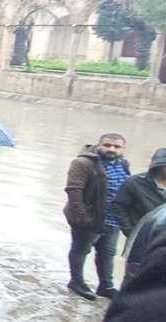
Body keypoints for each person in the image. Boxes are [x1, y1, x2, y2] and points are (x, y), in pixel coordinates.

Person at [64, 133, 129, 301]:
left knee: (108, 253)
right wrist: (83, 218)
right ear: (98, 145)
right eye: (107, 145)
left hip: (113, 219)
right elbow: (74, 190)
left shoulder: (123, 164)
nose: (111, 149)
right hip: (90, 219)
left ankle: (106, 286)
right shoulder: (83, 163)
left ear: (123, 149)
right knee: (81, 250)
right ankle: (76, 282)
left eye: (116, 147)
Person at [104, 205, 166, 321]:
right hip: (139, 257)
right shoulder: (160, 218)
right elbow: (117, 206)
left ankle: (105, 285)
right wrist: (129, 230)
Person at [111, 148, 166, 239]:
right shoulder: (135, 182)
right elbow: (118, 207)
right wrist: (131, 232)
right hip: (142, 239)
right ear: (158, 165)